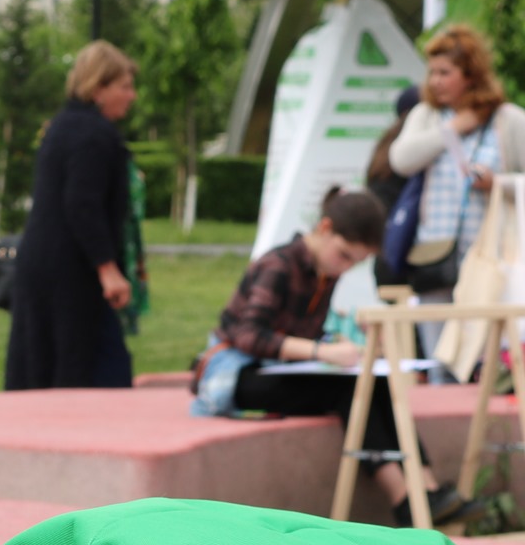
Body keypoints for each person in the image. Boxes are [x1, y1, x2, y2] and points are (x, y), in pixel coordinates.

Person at [191, 187, 469, 526]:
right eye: (344, 256)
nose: (345, 267)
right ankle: (404, 501)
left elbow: (300, 335)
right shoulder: (278, 264)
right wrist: (322, 351)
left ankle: (427, 489)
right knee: (349, 391)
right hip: (232, 374)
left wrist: (343, 346)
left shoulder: (324, 270)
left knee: (375, 381)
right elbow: (248, 335)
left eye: (355, 262)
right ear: (325, 228)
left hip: (275, 370)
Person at [4, 41, 139, 391]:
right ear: (98, 88)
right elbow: (82, 205)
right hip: (71, 275)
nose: (132, 96)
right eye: (124, 87)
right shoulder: (92, 135)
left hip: (45, 266)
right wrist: (108, 270)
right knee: (91, 375)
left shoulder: (62, 126)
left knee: (42, 370)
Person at [387, 23, 525, 303]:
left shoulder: (507, 119)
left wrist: (497, 183)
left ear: (471, 75)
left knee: (487, 329)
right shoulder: (427, 115)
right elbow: (400, 160)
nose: (435, 81)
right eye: (432, 72)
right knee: (437, 328)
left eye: (445, 73)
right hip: (436, 253)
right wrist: (452, 129)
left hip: (493, 255)